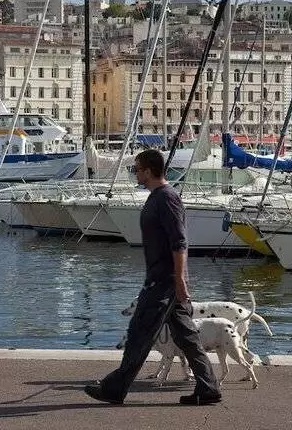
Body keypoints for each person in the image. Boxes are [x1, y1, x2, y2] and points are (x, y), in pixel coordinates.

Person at [84, 149, 222, 406]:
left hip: (165, 283)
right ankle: (208, 387)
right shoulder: (158, 197)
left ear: (148, 170)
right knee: (186, 337)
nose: (134, 172)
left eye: (136, 168)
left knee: (139, 333)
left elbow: (179, 242)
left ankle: (114, 388)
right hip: (164, 280)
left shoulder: (167, 198)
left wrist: (179, 280)